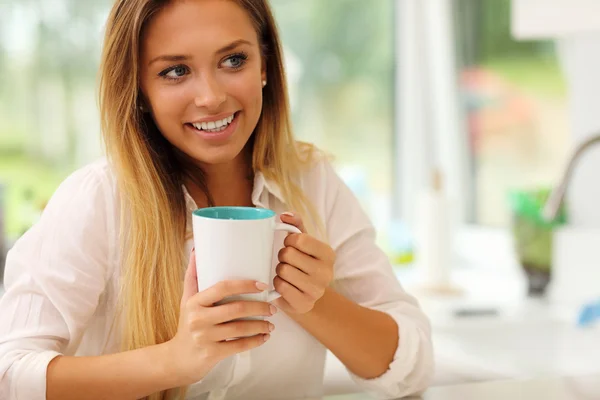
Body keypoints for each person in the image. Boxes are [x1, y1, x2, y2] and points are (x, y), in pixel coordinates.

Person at [0, 0, 433, 399]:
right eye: (175, 71)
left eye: (233, 60)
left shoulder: (313, 184)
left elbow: (412, 369)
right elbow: (10, 375)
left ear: (265, 64)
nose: (210, 97)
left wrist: (316, 302)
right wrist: (174, 361)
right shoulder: (98, 200)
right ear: (139, 90)